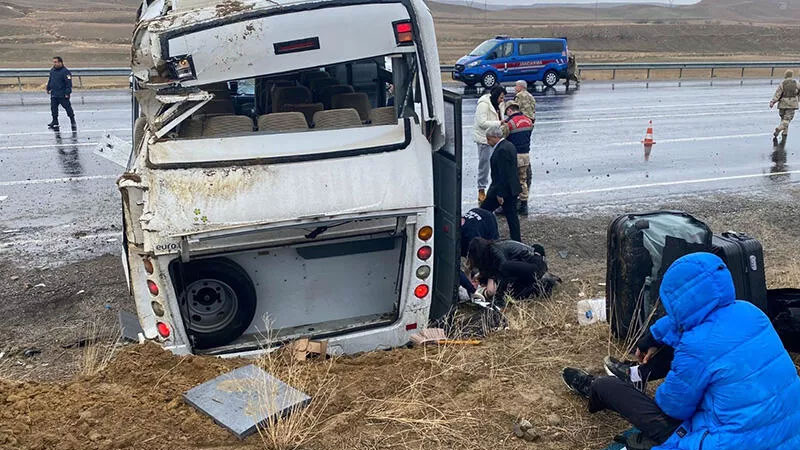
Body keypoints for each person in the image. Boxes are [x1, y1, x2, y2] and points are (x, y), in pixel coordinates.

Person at [562, 253, 800, 450]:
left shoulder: (695, 346)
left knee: (608, 386)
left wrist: (671, 374)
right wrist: (654, 337)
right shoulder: (750, 312)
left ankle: (595, 388)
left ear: (674, 299)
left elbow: (673, 407)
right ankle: (636, 376)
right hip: (788, 434)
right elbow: (698, 323)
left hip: (724, 441)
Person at [466, 237, 555, 304]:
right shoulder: (491, 251)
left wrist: (493, 294)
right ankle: (542, 284)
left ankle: (545, 282)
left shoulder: (496, 253)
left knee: (505, 273)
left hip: (536, 266)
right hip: (530, 264)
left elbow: (503, 274)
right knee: (513, 291)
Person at [480, 125, 521, 242]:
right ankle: (516, 240)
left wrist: (500, 193)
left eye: (488, 139)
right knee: (512, 217)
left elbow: (503, 173)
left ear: (494, 137)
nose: (488, 142)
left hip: (502, 189)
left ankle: (483, 235)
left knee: (483, 211)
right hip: (512, 188)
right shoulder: (509, 145)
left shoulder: (502, 150)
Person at [473, 86, 507, 203]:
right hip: (485, 139)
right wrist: (499, 123)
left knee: (497, 165)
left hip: (497, 138)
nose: (502, 100)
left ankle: (495, 189)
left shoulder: (501, 104)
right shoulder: (483, 104)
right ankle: (481, 189)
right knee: (485, 165)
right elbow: (481, 123)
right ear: (496, 96)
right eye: (501, 97)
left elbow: (502, 115)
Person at [458, 208, 499, 297]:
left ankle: (487, 279)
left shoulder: (473, 237)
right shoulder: (458, 235)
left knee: (492, 252)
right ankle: (475, 279)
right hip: (475, 216)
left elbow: (483, 254)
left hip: (487, 219)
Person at [502, 102, 534, 216]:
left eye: (507, 112)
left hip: (513, 156)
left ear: (510, 110)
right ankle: (524, 206)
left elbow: (502, 136)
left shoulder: (510, 123)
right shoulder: (528, 121)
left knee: (509, 181)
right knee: (522, 180)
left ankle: (509, 205)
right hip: (525, 155)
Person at [46, 56, 76, 130]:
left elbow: (69, 83)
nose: (54, 64)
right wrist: (48, 88)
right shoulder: (52, 70)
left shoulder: (65, 72)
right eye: (54, 62)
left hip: (62, 94)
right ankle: (55, 121)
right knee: (53, 108)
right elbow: (50, 80)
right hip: (54, 94)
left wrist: (67, 93)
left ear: (60, 62)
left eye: (56, 62)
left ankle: (72, 120)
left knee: (67, 108)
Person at [769, 69, 799, 141]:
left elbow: (778, 94)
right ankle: (779, 128)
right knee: (787, 119)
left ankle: (785, 132)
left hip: (782, 103)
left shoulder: (782, 83)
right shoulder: (796, 83)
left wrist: (772, 102)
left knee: (783, 118)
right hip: (792, 103)